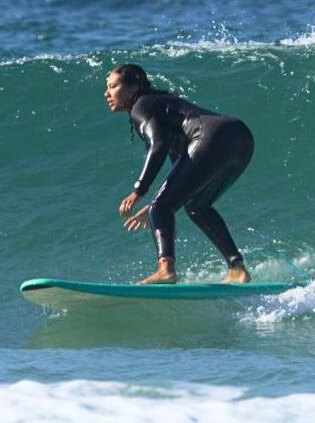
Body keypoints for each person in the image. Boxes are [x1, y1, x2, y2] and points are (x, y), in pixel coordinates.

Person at [104, 63, 254, 285]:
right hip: (240, 137)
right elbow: (181, 168)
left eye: (113, 86)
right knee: (195, 206)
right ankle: (237, 268)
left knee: (163, 206)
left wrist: (140, 191)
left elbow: (158, 145)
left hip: (210, 136)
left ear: (133, 87)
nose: (107, 93)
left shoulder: (141, 106)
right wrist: (160, 202)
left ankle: (166, 270)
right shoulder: (159, 106)